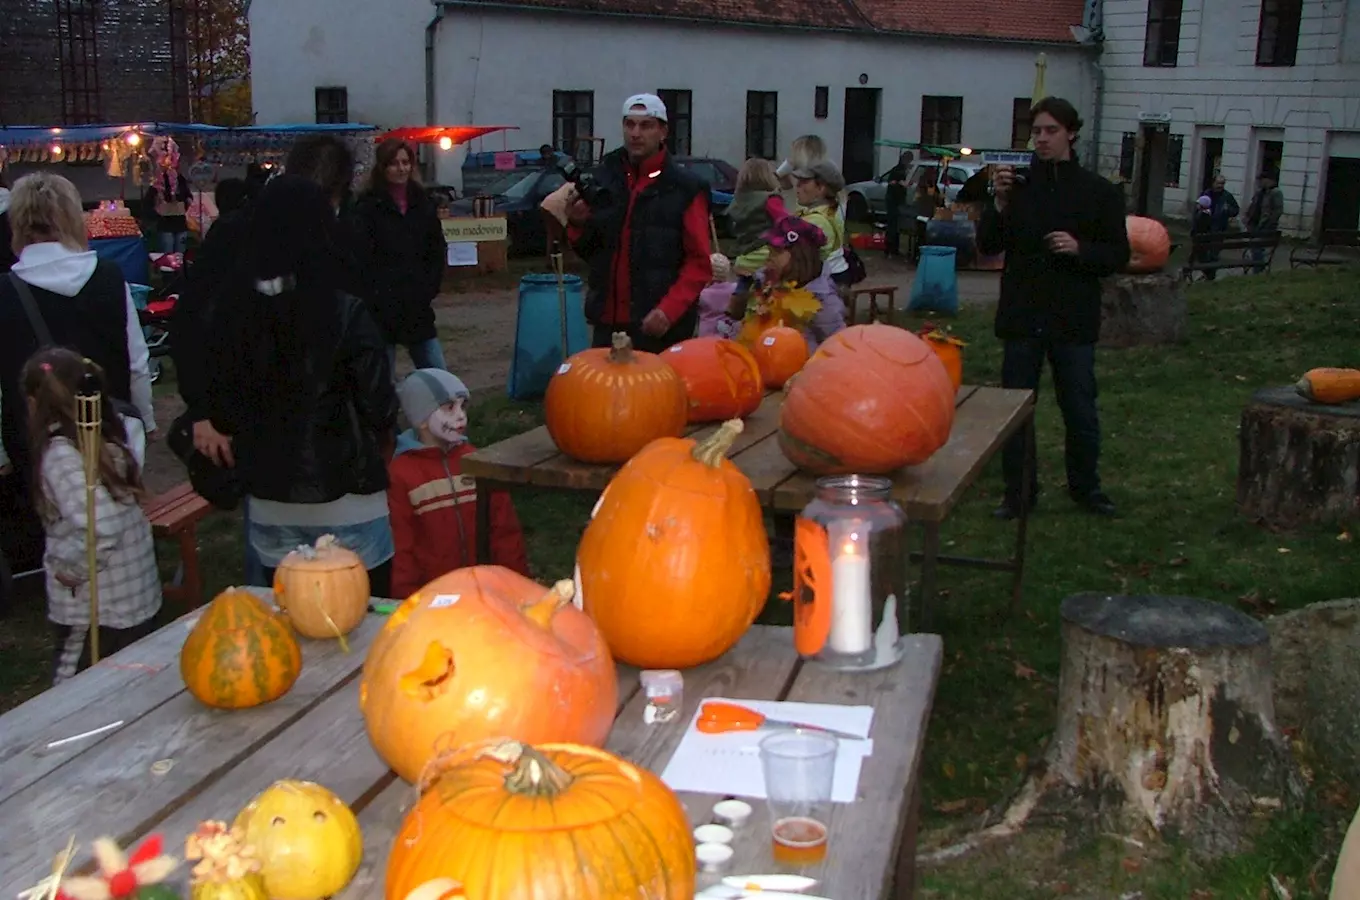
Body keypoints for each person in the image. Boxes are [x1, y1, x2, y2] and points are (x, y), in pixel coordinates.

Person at [172, 134, 367, 587]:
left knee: (331, 562)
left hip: (323, 425)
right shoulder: (239, 235)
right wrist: (202, 410)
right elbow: (191, 322)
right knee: (268, 544)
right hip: (254, 414)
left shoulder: (338, 237)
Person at [205, 175, 398, 596]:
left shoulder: (234, 311)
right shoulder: (346, 311)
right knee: (367, 626)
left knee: (290, 626)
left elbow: (223, 402)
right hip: (348, 492)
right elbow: (379, 404)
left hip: (270, 494)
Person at [0, 172, 157, 581]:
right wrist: (145, 423)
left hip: (34, 438)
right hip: (110, 427)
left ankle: (64, 577)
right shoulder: (108, 277)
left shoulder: (5, 292)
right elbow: (137, 361)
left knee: (59, 515)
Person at [979, 96, 1130, 520]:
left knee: (1079, 408)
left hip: (1072, 317)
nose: (1042, 139)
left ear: (1071, 133)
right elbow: (989, 245)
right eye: (1037, 131)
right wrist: (999, 204)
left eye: (1051, 131)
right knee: (1016, 412)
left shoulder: (1098, 192)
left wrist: (1080, 249)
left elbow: (1118, 254)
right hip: (1023, 315)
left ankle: (1087, 488)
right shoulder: (1019, 188)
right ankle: (1018, 494)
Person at [22, 349, 161, 685]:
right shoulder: (104, 433)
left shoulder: (61, 456)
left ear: (33, 402)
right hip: (132, 598)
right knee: (131, 688)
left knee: (78, 695)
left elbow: (103, 525)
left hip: (97, 610)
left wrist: (70, 570)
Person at [563, 93, 712, 352]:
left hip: (659, 326)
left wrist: (668, 310)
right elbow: (595, 253)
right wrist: (577, 225)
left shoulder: (685, 188)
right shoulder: (607, 177)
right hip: (608, 324)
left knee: (656, 393)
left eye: (646, 125)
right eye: (629, 124)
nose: (635, 133)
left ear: (663, 131)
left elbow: (699, 263)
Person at [387, 369, 528, 597]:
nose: (461, 416)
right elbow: (402, 549)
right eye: (449, 408)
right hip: (433, 599)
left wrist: (519, 587)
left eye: (463, 406)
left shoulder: (477, 463)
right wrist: (407, 601)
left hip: (488, 593)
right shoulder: (401, 474)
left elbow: (505, 530)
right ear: (421, 420)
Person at [355, 139, 449, 373]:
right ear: (382, 167)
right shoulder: (368, 207)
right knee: (382, 379)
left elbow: (436, 248)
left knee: (438, 375)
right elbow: (361, 255)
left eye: (405, 162)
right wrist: (373, 294)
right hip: (382, 307)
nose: (401, 169)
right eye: (394, 163)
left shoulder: (422, 204)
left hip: (416, 303)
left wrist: (430, 287)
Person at [720, 215, 845, 354]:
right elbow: (742, 320)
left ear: (800, 255)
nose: (769, 258)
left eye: (776, 252)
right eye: (770, 251)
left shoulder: (822, 300)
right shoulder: (766, 282)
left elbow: (837, 346)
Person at [725, 158, 788, 290]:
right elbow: (786, 223)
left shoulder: (738, 201)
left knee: (744, 290)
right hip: (767, 253)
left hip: (745, 255)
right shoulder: (771, 199)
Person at [791, 160, 854, 289]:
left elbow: (790, 252)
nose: (797, 187)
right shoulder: (831, 208)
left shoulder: (816, 221)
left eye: (804, 182)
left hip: (825, 280)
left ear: (821, 188)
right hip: (835, 274)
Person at [143, 136, 193, 255]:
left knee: (180, 255)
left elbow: (188, 195)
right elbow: (148, 203)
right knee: (168, 254)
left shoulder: (180, 179)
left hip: (180, 223)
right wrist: (157, 210)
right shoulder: (157, 181)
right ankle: (169, 273)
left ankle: (180, 272)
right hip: (165, 225)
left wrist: (186, 202)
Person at [1199, 172, 1240, 281]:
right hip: (1205, 229)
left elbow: (1235, 210)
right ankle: (1207, 273)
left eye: (1222, 183)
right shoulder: (1206, 194)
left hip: (1219, 230)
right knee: (1201, 254)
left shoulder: (1227, 196)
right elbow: (1198, 208)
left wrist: (1228, 210)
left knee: (1214, 254)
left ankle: (1210, 277)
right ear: (1213, 183)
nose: (1220, 186)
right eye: (1218, 183)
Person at [1243, 167, 1283, 273]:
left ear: (1268, 180)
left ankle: (1258, 269)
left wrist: (1269, 223)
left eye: (1262, 180)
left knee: (1257, 247)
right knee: (1255, 247)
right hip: (1254, 224)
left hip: (1264, 225)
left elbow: (1277, 210)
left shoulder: (1275, 192)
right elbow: (1253, 205)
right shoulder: (1260, 192)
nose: (1260, 182)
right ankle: (1258, 267)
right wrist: (1247, 217)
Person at [884, 153, 912, 259]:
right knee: (892, 225)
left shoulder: (901, 170)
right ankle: (890, 249)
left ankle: (893, 248)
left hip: (897, 201)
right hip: (893, 201)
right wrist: (901, 184)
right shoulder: (898, 170)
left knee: (896, 225)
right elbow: (893, 182)